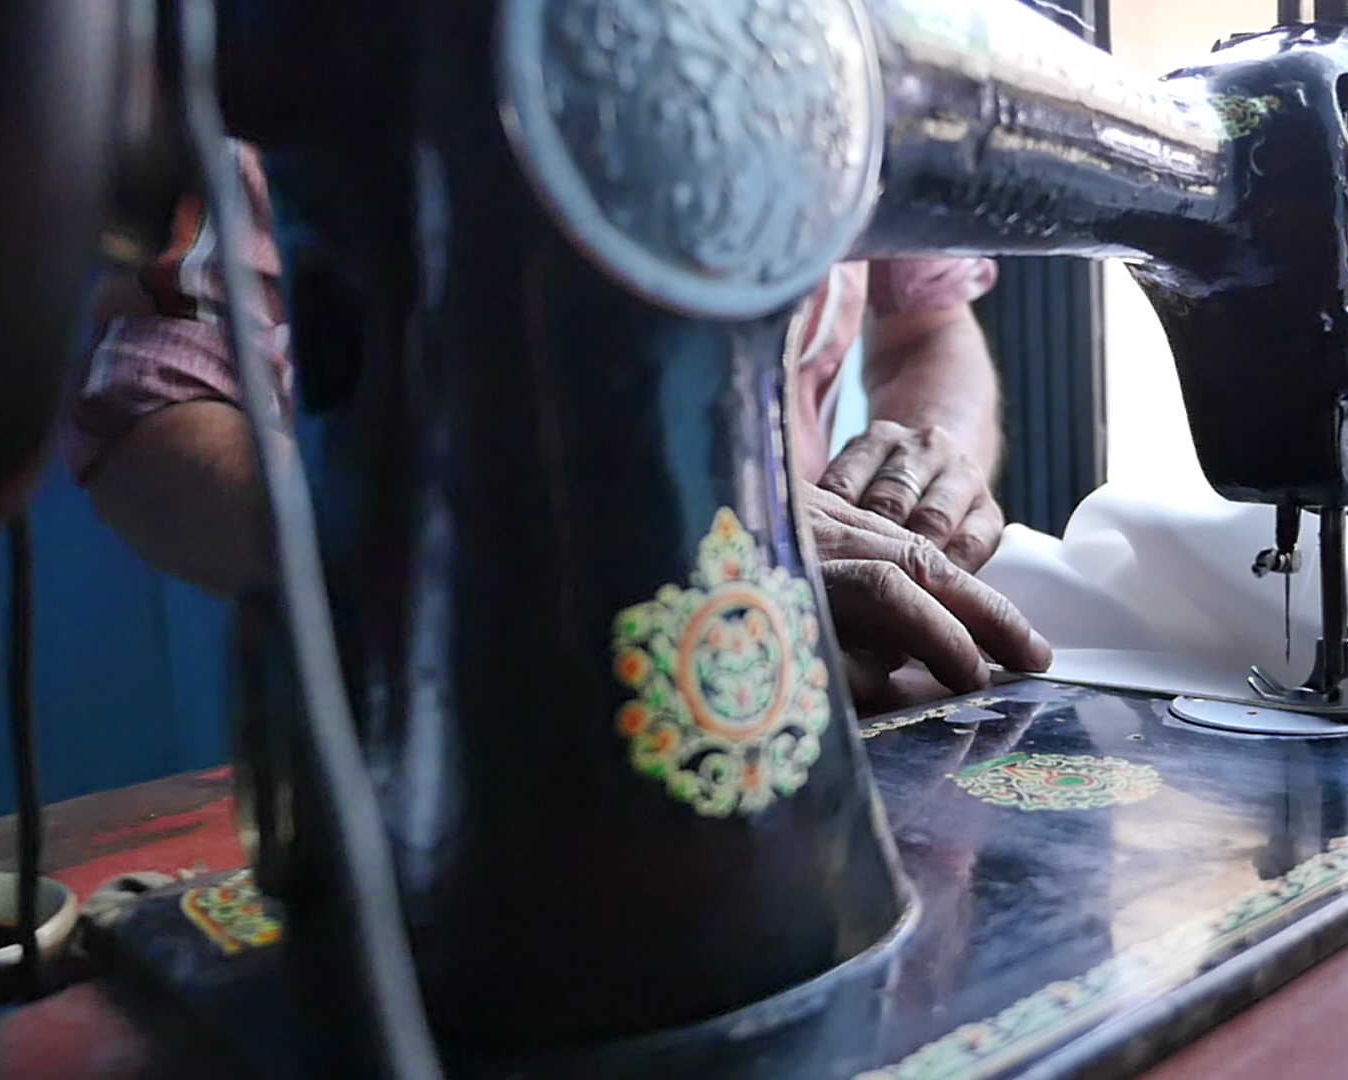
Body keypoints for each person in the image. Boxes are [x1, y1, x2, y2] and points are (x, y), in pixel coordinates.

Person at [67, 142, 1051, 701]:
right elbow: (159, 411)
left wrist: (929, 466)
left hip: (800, 646)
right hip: (468, 682)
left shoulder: (867, 44)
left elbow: (925, 324)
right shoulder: (341, 46)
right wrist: (532, 554)